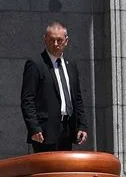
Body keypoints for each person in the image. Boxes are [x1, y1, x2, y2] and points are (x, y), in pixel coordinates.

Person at [20, 21, 88, 152]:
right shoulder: (36, 64)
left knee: (64, 170)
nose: (55, 44)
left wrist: (82, 126)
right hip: (44, 133)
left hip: (68, 130)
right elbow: (27, 99)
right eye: (51, 40)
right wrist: (34, 128)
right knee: (47, 170)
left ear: (66, 41)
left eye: (59, 40)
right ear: (45, 39)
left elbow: (77, 98)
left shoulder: (71, 65)